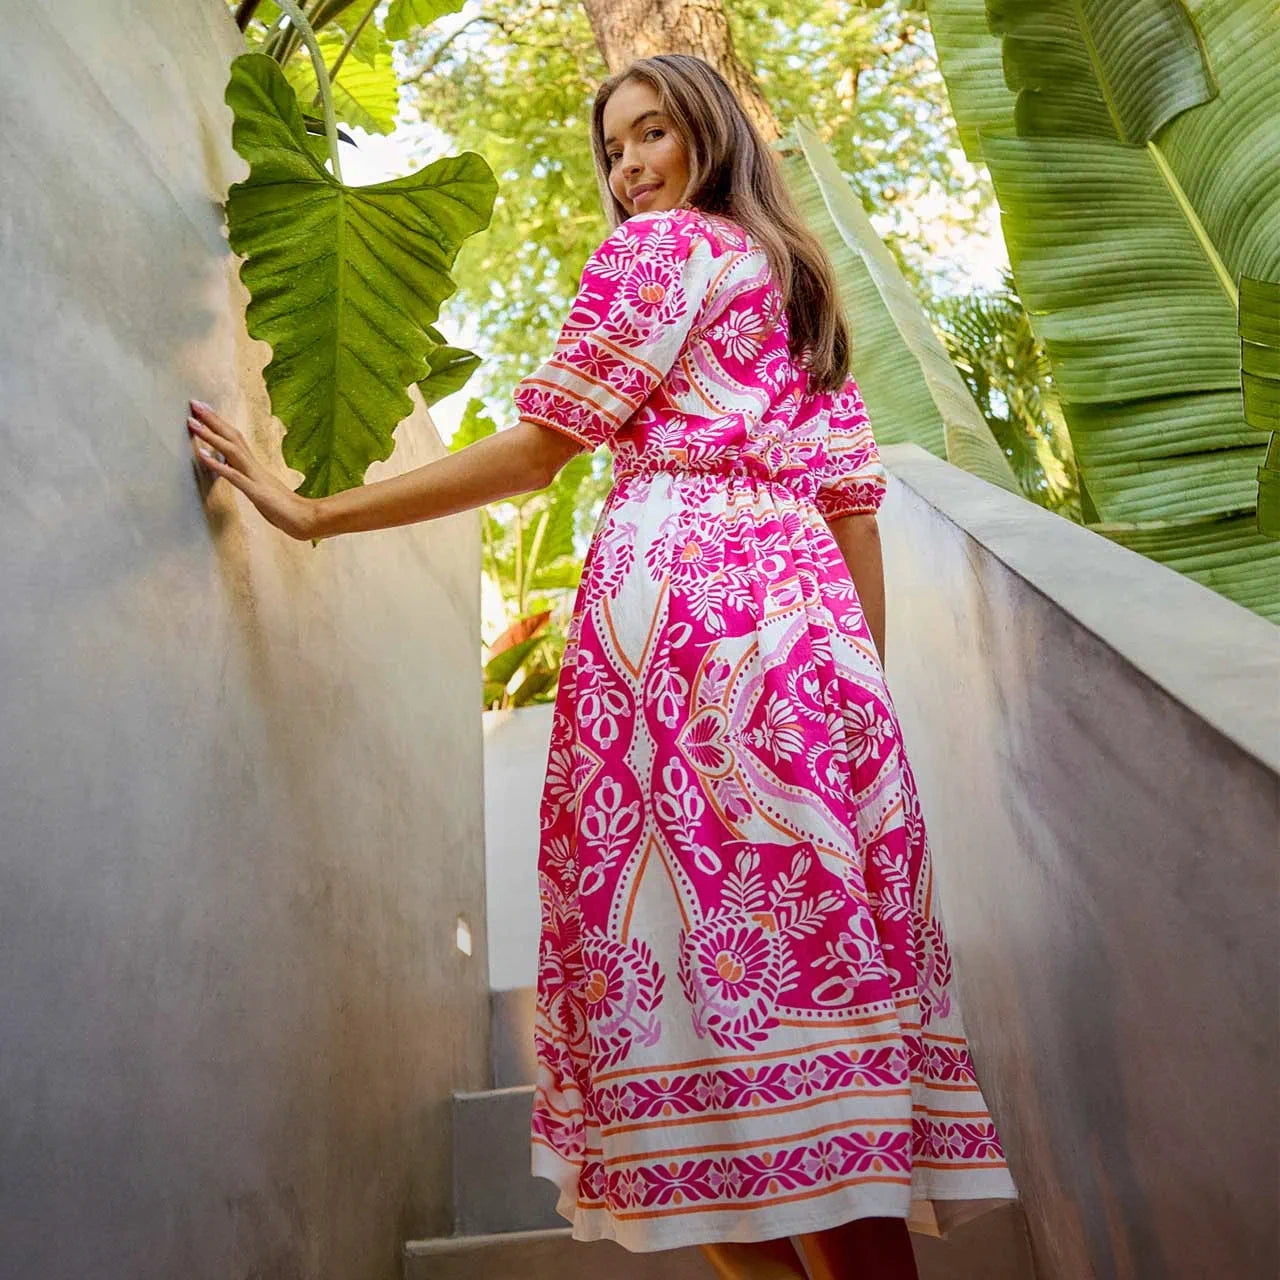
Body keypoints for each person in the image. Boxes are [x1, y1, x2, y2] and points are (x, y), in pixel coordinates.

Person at [187, 52, 1015, 1280]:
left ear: (711, 134)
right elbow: (849, 514)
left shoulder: (663, 252)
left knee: (707, 1027)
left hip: (680, 640)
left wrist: (315, 514)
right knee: (796, 1015)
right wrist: (864, 705)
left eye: (651, 135)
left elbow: (538, 452)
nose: (629, 169)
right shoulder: (800, 291)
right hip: (812, 658)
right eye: (614, 149)